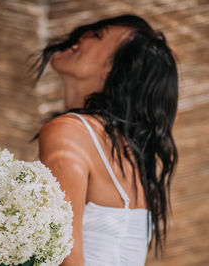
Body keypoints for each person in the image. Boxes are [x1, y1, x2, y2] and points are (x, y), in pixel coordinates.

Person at [28, 14, 179, 265]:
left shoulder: (69, 133)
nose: (82, 36)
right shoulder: (131, 156)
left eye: (97, 35)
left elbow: (63, 258)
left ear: (114, 70)